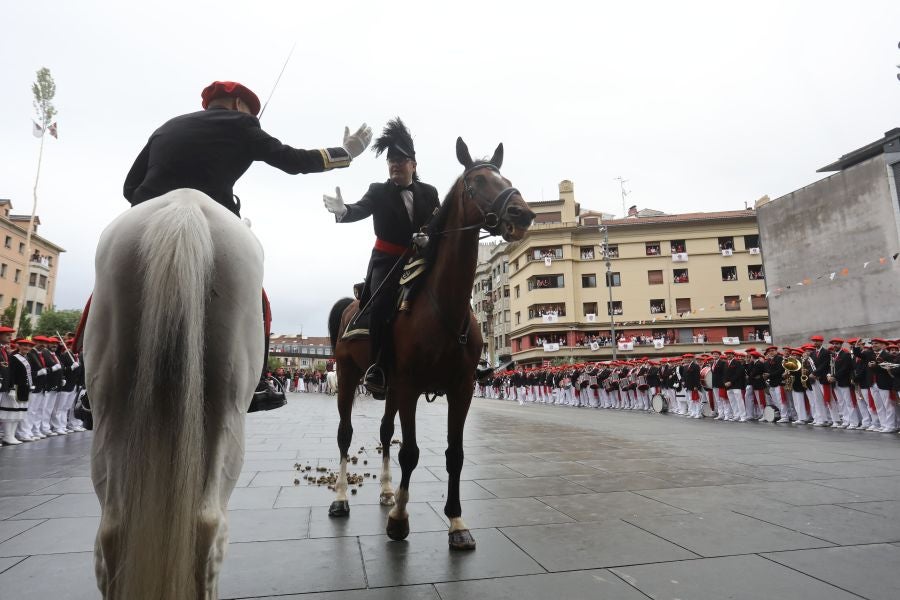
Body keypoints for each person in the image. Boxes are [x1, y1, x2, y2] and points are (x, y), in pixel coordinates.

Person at [121, 80, 372, 412]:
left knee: (111, 281)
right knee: (257, 301)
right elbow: (294, 160)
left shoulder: (166, 127)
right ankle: (256, 381)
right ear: (239, 103)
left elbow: (130, 186)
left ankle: (89, 381)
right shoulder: (243, 124)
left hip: (147, 215)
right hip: (216, 214)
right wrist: (345, 154)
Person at [323, 118, 440, 397]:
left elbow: (440, 225)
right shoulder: (378, 190)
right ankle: (377, 367)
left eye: (400, 160)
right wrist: (343, 211)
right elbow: (360, 209)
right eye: (391, 162)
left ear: (414, 163)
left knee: (448, 291)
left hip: (419, 261)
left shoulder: (430, 193)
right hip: (387, 262)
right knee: (382, 303)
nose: (394, 166)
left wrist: (431, 238)